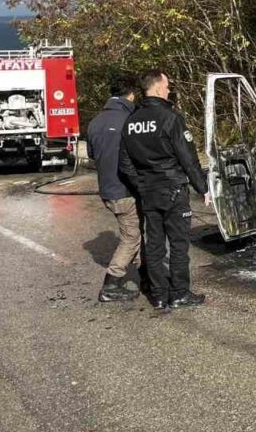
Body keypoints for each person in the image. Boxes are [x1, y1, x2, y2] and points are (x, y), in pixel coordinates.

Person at [118, 69, 210, 312]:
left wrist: (142, 185)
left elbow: (125, 163)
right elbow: (188, 158)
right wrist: (203, 188)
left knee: (155, 245)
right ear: (158, 88)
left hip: (148, 192)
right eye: (167, 86)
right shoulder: (172, 118)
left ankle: (158, 296)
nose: (169, 90)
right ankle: (180, 293)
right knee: (179, 245)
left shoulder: (131, 121)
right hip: (173, 190)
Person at [86, 79, 144, 303]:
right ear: (130, 95)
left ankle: (144, 273)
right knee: (132, 236)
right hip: (125, 189)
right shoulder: (129, 120)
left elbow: (92, 156)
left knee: (134, 231)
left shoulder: (95, 122)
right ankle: (111, 284)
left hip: (108, 189)